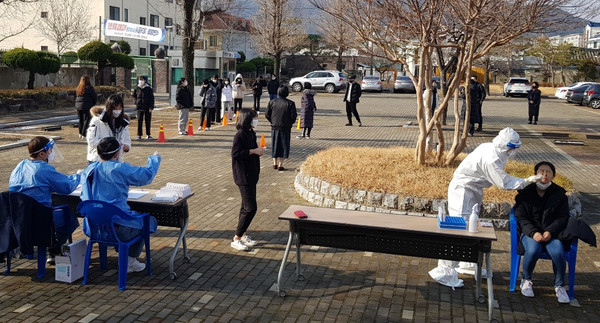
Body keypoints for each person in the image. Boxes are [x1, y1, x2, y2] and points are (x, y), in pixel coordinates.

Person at [430, 128, 542, 285]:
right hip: (462, 190)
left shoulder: (490, 147)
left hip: (474, 188)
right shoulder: (490, 159)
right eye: (511, 147)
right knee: (458, 228)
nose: (512, 151)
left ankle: (467, 263)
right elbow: (503, 182)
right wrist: (526, 181)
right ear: (505, 145)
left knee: (471, 226)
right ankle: (444, 271)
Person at [80, 137, 161, 273]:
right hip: (118, 228)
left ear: (98, 153)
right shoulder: (119, 168)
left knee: (131, 220)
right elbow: (146, 175)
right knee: (148, 221)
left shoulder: (89, 170)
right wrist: (154, 159)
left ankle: (123, 252)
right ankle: (130, 260)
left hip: (94, 228)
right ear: (117, 154)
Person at [9, 136, 80, 264]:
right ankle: (53, 248)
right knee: (71, 219)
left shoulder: (20, 166)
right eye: (50, 151)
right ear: (42, 154)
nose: (51, 153)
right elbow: (67, 187)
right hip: (39, 220)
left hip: (18, 219)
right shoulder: (44, 169)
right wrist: (79, 176)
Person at [514, 161, 570, 303]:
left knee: (558, 252)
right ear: (535, 174)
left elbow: (563, 217)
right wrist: (533, 233)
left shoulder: (559, 194)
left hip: (552, 234)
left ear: (553, 175)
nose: (544, 174)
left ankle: (560, 286)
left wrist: (550, 231)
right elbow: (520, 216)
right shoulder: (525, 192)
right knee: (533, 250)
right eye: (541, 171)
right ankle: (526, 280)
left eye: (548, 172)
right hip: (530, 233)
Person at [231, 109, 265, 251]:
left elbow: (251, 150)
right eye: (254, 118)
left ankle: (242, 234)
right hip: (243, 175)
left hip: (252, 174)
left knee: (245, 206)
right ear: (247, 119)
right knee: (251, 208)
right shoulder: (240, 135)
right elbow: (236, 154)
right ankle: (237, 238)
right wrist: (253, 151)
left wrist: (258, 151)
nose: (256, 120)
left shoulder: (251, 133)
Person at [87, 94, 131, 163]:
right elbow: (91, 141)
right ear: (109, 108)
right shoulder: (97, 120)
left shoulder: (123, 123)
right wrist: (110, 145)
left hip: (116, 160)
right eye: (115, 109)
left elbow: (127, 139)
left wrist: (126, 146)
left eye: (119, 109)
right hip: (97, 159)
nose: (117, 111)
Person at [266, 85, 297, 171]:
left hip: (274, 127)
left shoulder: (272, 102)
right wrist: (290, 123)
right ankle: (281, 164)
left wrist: (272, 121)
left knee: (275, 144)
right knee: (284, 145)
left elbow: (267, 114)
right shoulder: (290, 103)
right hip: (285, 127)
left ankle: (274, 163)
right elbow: (293, 116)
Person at [132, 75, 155, 140]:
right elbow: (134, 95)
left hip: (147, 107)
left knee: (148, 121)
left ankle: (148, 134)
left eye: (142, 80)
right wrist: (136, 102)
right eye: (140, 80)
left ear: (145, 81)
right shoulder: (137, 88)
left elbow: (151, 98)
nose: (141, 81)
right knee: (139, 121)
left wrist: (151, 107)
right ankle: (139, 135)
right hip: (139, 107)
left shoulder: (148, 88)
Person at [75, 75, 97, 139]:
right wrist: (93, 104)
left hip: (78, 106)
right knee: (87, 120)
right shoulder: (89, 88)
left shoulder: (78, 88)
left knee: (80, 120)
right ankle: (84, 134)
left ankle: (80, 133)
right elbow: (94, 97)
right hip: (87, 106)